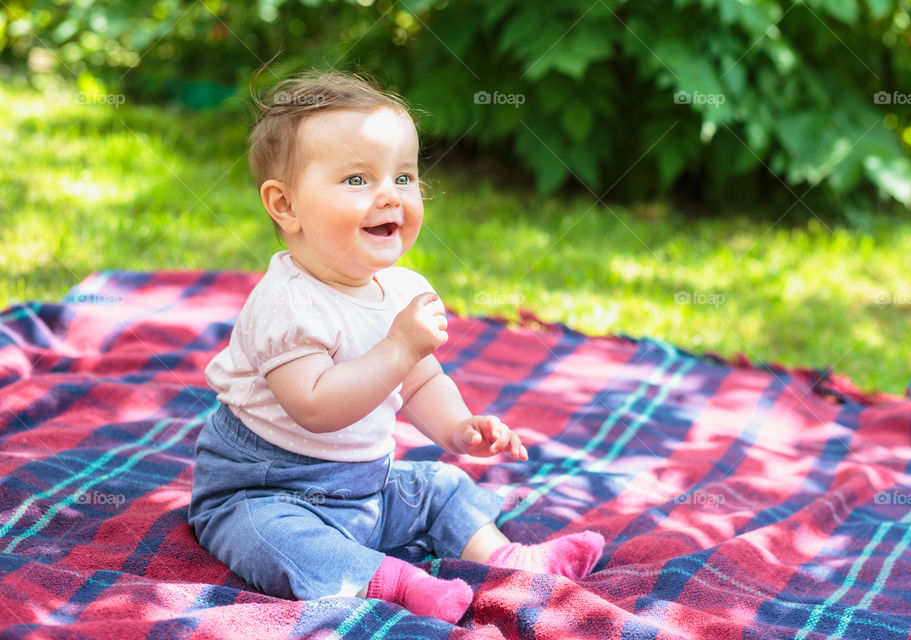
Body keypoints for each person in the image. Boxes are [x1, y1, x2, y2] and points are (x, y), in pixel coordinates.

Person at [187, 69, 604, 624]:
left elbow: (422, 380)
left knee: (440, 482)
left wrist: (458, 428)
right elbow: (315, 408)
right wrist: (397, 348)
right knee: (275, 539)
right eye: (357, 180)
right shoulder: (287, 304)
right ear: (285, 206)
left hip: (365, 487)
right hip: (266, 489)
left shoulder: (403, 290)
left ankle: (509, 559)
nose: (389, 195)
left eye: (404, 177)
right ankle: (397, 583)